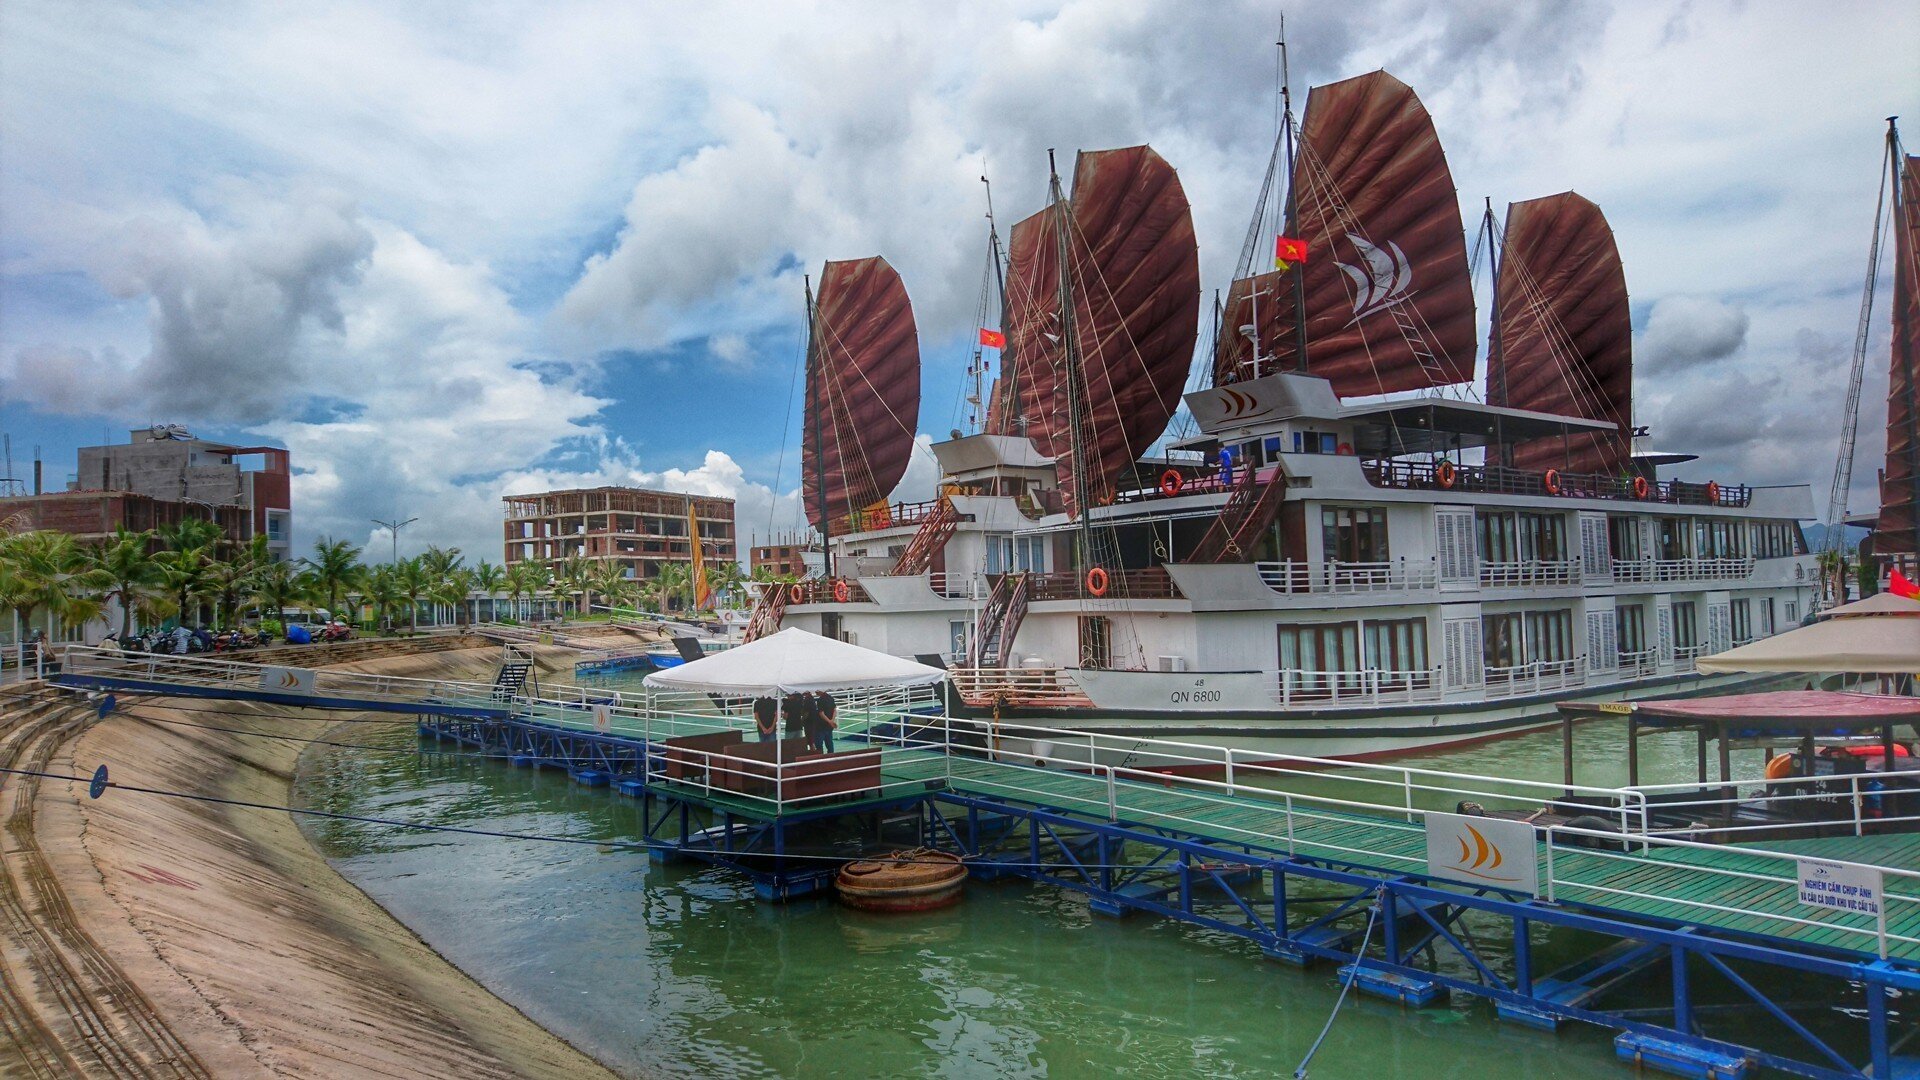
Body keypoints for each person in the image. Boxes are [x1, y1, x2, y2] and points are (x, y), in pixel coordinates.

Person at [807, 691, 837, 755]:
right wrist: (831, 721)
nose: (816, 692)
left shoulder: (820, 700)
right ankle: (831, 758)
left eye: (817, 690)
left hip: (820, 726)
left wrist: (829, 721)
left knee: (819, 745)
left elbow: (821, 713)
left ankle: (820, 759)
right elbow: (834, 710)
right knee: (829, 744)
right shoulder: (830, 698)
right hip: (828, 727)